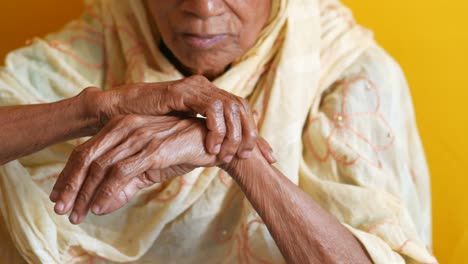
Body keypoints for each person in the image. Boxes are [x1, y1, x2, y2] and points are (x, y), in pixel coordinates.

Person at [0, 0, 437, 263]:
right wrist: (96, 107)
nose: (203, 8)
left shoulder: (347, 74)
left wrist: (234, 151)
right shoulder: (103, 41)